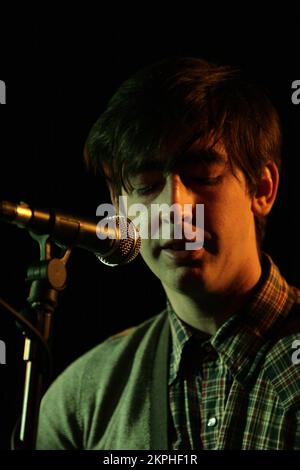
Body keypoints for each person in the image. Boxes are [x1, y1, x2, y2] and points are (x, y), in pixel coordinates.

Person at [36, 57, 300, 450]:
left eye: (202, 177)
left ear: (262, 189)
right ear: (120, 206)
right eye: (145, 185)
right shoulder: (79, 399)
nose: (173, 209)